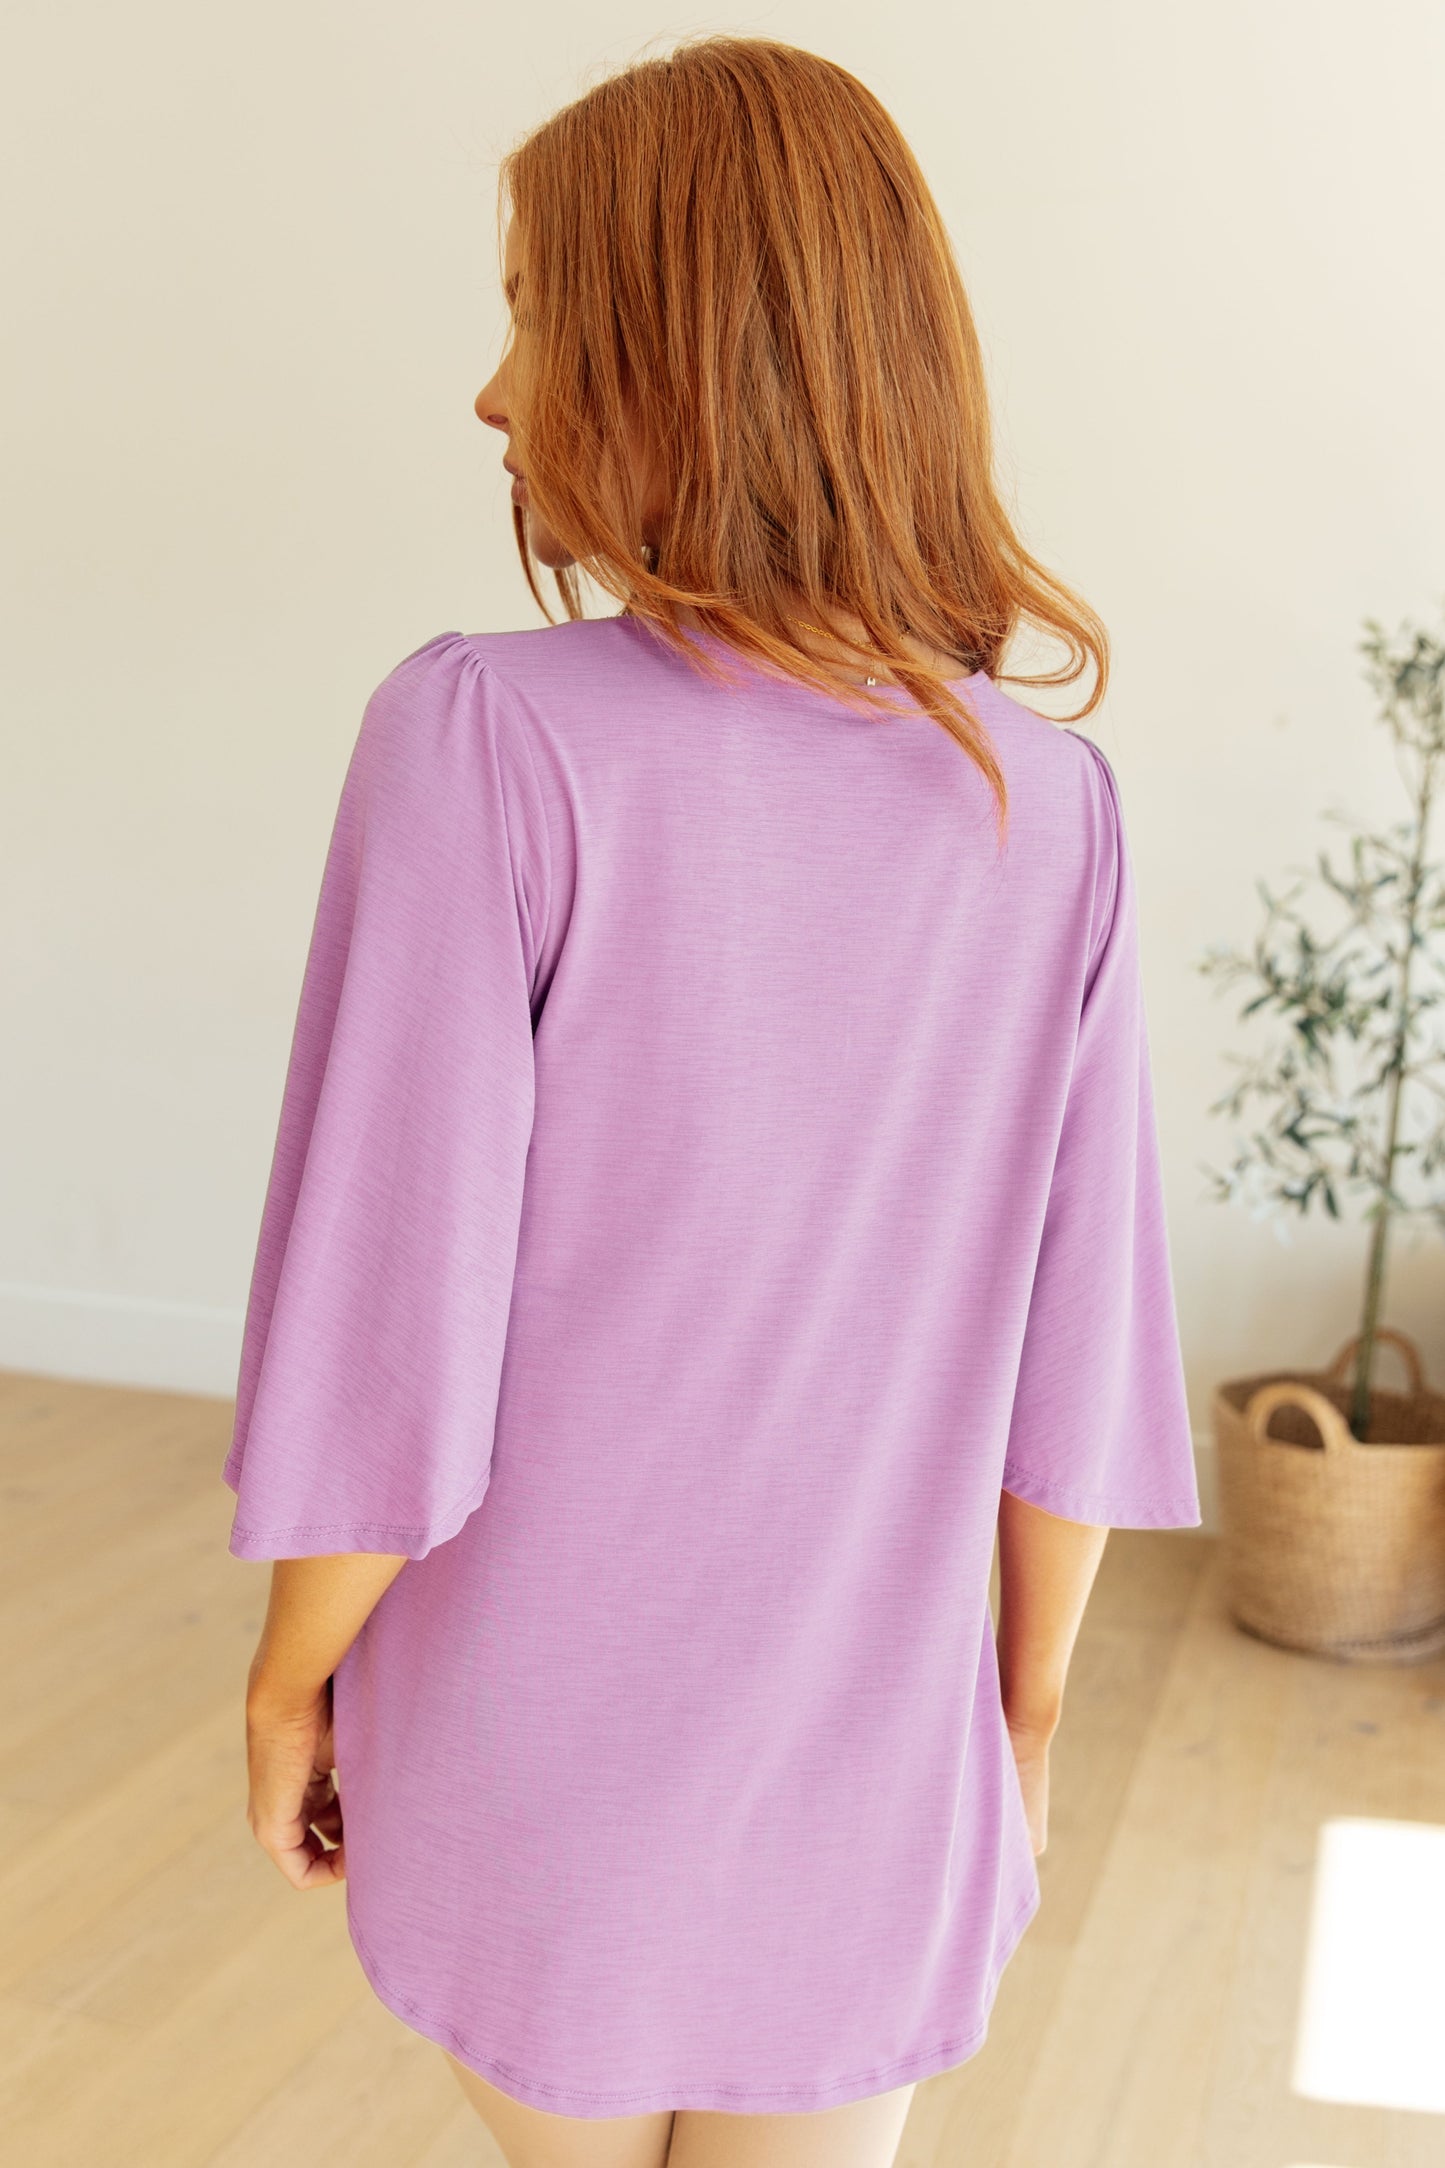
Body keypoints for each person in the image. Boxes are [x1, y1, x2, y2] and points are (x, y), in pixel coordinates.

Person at [226, 33, 1201, 2168]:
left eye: (534, 317)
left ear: (670, 355)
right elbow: (1083, 1361)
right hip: (878, 1764)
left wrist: (291, 1673)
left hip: (541, 1758)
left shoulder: (483, 737)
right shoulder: (1054, 807)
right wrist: (1017, 1725)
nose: (493, 395)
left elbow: (396, 1320)